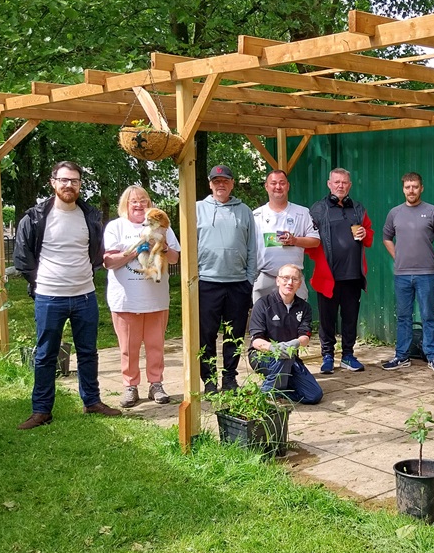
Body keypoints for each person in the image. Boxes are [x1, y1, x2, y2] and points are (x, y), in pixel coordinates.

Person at [13, 161, 121, 429]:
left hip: (85, 296)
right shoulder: (35, 217)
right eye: (63, 180)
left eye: (74, 180)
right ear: (53, 182)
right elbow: (22, 257)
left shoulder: (90, 216)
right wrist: (40, 283)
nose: (68, 185)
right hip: (49, 297)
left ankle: (92, 401)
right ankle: (41, 410)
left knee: (88, 352)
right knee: (46, 355)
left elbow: (96, 252)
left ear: (80, 184)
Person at [102, 186, 181, 407]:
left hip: (156, 299)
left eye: (144, 201)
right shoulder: (116, 227)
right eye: (133, 201)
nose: (139, 205)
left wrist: (163, 246)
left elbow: (175, 259)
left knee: (156, 345)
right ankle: (130, 386)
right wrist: (134, 252)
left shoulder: (164, 227)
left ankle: (156, 384)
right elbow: (108, 261)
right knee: (129, 347)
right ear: (125, 205)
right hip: (126, 300)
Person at [197, 164, 258, 392]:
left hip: (238, 284)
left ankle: (230, 378)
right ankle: (210, 380)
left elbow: (253, 246)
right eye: (216, 181)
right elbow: (190, 246)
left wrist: (249, 279)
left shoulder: (244, 211)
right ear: (210, 183)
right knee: (207, 334)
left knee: (234, 335)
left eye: (225, 181)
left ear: (232, 183)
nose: (220, 184)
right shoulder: (197, 209)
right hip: (207, 282)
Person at [307, 167, 374, 374]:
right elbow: (310, 241)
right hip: (328, 275)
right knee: (327, 319)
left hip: (352, 274)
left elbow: (370, 236)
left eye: (344, 182)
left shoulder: (358, 209)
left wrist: (365, 233)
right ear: (329, 184)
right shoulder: (318, 209)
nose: (340, 186)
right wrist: (320, 259)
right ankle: (327, 355)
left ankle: (347, 355)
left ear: (350, 185)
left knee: (350, 317)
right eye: (336, 182)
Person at [382, 172, 434, 372]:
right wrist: (398, 257)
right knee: (403, 316)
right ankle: (402, 356)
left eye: (415, 186)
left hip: (426, 274)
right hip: (402, 274)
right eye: (407, 187)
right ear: (403, 189)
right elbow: (386, 237)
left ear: (422, 188)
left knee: (428, 315)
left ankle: (433, 356)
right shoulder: (395, 213)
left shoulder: (432, 211)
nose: (411, 190)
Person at [247, 263, 323, 405]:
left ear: (299, 284)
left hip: (290, 357)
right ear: (277, 280)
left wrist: (295, 343)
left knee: (314, 395)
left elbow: (305, 336)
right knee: (285, 356)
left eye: (294, 279)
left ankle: (280, 389)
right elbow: (256, 340)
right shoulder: (263, 304)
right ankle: (266, 394)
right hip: (262, 356)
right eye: (285, 278)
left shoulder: (304, 307)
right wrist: (273, 349)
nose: (289, 282)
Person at [251, 169, 319, 303]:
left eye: (282, 183)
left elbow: (315, 241)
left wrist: (295, 240)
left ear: (288, 186)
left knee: (296, 320)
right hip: (265, 276)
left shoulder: (303, 212)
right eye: (273, 183)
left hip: (293, 279)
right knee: (262, 321)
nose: (278, 187)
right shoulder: (256, 215)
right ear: (266, 186)